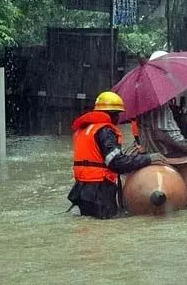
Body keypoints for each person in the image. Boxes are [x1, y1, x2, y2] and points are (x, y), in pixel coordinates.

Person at [67, 91, 167, 219]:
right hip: (99, 191)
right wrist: (148, 159)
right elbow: (116, 163)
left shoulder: (85, 129)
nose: (119, 118)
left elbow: (99, 158)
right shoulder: (105, 131)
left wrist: (128, 155)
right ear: (113, 114)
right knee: (105, 228)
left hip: (82, 189)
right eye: (118, 114)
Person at [136, 51, 187, 158]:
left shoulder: (139, 96)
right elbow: (163, 133)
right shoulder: (159, 100)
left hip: (150, 149)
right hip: (167, 151)